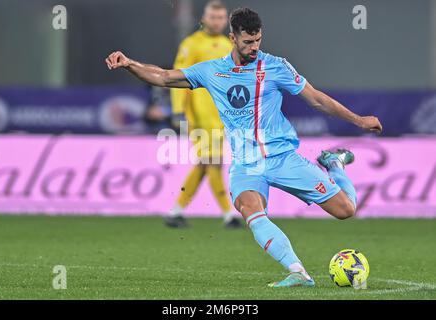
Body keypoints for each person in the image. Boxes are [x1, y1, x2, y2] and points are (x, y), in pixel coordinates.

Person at [105, 7, 383, 288]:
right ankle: (298, 272)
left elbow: (317, 100)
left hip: (282, 158)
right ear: (233, 38)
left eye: (258, 40)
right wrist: (129, 63)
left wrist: (358, 120)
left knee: (345, 210)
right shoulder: (212, 71)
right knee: (250, 210)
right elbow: (164, 77)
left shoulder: (276, 66)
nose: (254, 47)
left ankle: (334, 164)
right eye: (248, 41)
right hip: (246, 163)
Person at [169, 0, 240, 228]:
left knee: (205, 163)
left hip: (222, 114)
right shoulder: (191, 44)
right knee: (214, 161)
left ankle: (176, 211)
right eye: (213, 17)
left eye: (221, 18)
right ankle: (229, 214)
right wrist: (178, 110)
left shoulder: (227, 44)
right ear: (203, 19)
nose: (217, 22)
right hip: (199, 113)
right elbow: (176, 76)